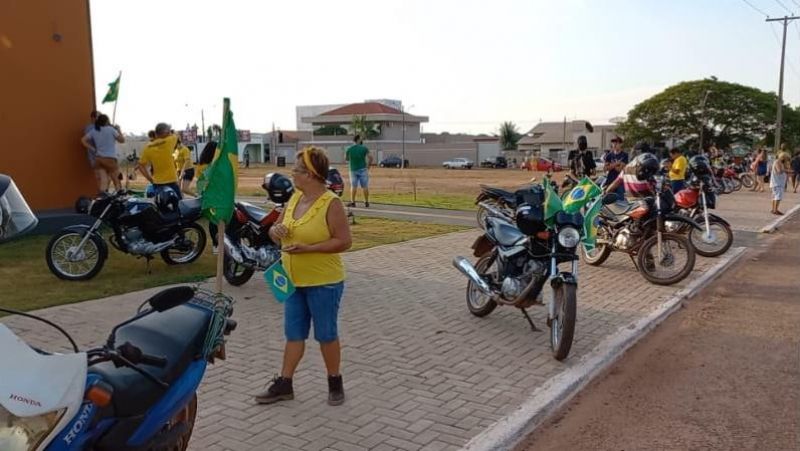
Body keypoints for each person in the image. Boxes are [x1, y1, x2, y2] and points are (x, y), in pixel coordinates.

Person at [254, 146, 352, 407]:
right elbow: (278, 228)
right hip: (292, 280)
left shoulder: (331, 203)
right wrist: (276, 231)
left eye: (297, 170)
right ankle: (285, 383)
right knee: (294, 334)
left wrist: (309, 249)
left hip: (324, 282)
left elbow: (344, 241)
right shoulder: (295, 198)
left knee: (326, 334)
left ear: (310, 173)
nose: (293, 174)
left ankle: (335, 381)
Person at [136, 122, 182, 199]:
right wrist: (170, 132)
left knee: (160, 205)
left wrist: (150, 178)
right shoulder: (170, 140)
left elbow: (140, 165)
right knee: (179, 205)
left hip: (157, 183)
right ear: (166, 132)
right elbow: (176, 135)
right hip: (171, 181)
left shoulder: (148, 147)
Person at [81, 114, 124, 193]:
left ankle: (102, 200)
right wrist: (119, 130)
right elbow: (122, 140)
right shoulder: (111, 130)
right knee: (116, 180)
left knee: (103, 181)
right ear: (107, 121)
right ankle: (119, 198)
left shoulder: (94, 131)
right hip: (110, 158)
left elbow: (83, 140)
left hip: (98, 158)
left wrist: (93, 149)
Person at [195, 141, 220, 253]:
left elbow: (200, 184)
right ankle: (217, 245)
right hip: (214, 196)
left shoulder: (201, 165)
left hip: (206, 196)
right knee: (216, 222)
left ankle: (216, 245)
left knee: (213, 221)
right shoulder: (211, 166)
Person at [345, 135, 372, 208]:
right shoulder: (364, 148)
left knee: (353, 186)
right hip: (363, 169)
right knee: (365, 186)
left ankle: (353, 202)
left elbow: (347, 159)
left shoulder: (349, 149)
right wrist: (368, 166)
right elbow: (370, 157)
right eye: (361, 139)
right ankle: (366, 202)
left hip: (353, 169)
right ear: (358, 140)